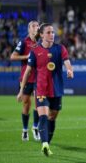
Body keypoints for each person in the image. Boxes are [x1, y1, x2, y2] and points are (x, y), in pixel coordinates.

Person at [19, 23, 74, 156]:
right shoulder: (35, 51)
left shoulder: (60, 49)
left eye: (52, 32)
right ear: (42, 35)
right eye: (48, 32)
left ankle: (47, 142)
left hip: (56, 89)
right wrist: (21, 90)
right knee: (43, 116)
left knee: (52, 116)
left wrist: (70, 70)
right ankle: (44, 144)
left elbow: (67, 62)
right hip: (41, 89)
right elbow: (27, 71)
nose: (51, 35)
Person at [12, 20, 40, 141]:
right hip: (26, 78)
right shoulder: (24, 42)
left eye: (37, 26)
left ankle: (35, 127)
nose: (36, 28)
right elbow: (13, 56)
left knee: (39, 103)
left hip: (39, 78)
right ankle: (24, 130)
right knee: (26, 104)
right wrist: (27, 56)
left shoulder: (41, 43)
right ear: (29, 29)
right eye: (33, 26)